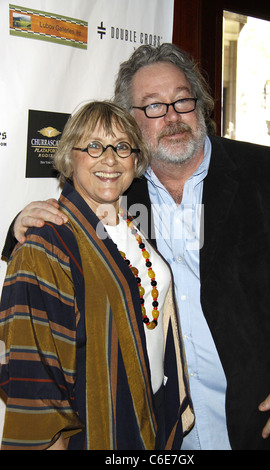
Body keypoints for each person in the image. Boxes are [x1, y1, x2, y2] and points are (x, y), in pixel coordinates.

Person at [2, 43, 270, 450]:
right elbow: (69, 230)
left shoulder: (267, 173)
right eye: (154, 107)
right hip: (167, 426)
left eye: (182, 100)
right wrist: (18, 227)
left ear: (200, 105)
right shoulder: (122, 189)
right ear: (131, 121)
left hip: (263, 417)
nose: (173, 117)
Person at [0, 100, 194, 450]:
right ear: (69, 156)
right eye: (93, 146)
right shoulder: (45, 244)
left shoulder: (134, 224)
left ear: (135, 161)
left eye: (121, 147)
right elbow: (36, 382)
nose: (109, 159)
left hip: (148, 417)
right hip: (95, 429)